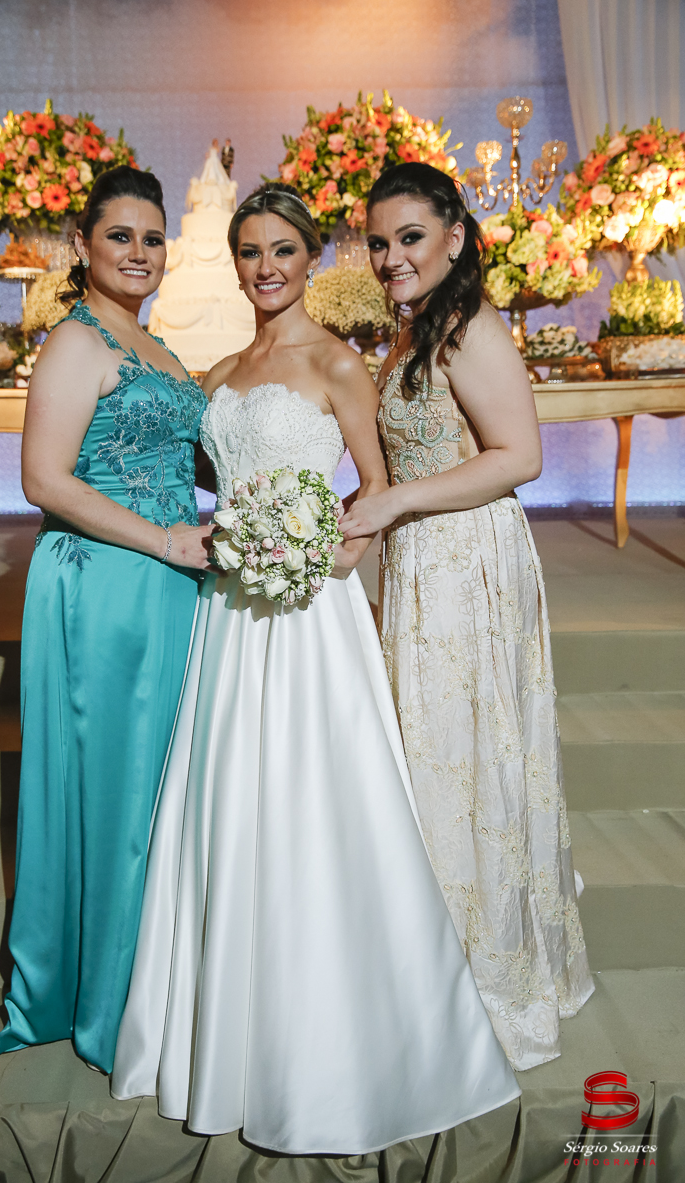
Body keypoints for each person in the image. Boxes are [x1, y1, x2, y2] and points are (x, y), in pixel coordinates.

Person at [111, 183, 520, 1154]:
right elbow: (203, 479)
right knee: (228, 800)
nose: (265, 269)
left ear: (310, 259)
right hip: (228, 616)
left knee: (313, 801)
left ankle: (344, 1035)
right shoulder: (218, 374)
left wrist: (312, 557)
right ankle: (222, 1027)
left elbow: (374, 494)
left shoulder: (339, 364)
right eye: (249, 252)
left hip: (305, 613)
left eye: (283, 251)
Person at [339, 162, 594, 1071]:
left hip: (469, 562)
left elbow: (519, 455)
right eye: (379, 242)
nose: (392, 257)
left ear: (455, 236)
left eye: (410, 237)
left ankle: (484, 987)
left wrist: (397, 503)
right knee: (432, 754)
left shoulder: (472, 325)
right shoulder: (416, 327)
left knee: (463, 756)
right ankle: (432, 974)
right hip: (422, 560)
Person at [0, 166, 213, 1074]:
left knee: (155, 786)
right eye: (120, 235)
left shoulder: (158, 347)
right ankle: (104, 998)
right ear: (82, 246)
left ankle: (152, 984)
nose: (139, 252)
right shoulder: (76, 342)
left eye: (153, 238)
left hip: (167, 583)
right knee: (114, 790)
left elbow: (192, 459)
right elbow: (44, 479)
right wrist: (165, 542)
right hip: (106, 584)